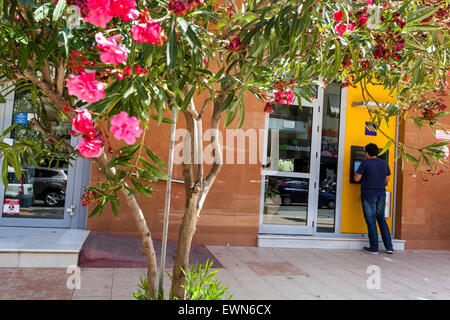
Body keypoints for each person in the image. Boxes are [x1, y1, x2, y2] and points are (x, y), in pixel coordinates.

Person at [354, 143, 394, 255]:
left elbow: (357, 179)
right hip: (381, 194)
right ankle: (389, 247)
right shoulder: (384, 163)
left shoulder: (365, 163)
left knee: (371, 220)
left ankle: (374, 248)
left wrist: (356, 174)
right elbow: (387, 178)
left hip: (368, 194)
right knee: (381, 219)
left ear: (367, 153)